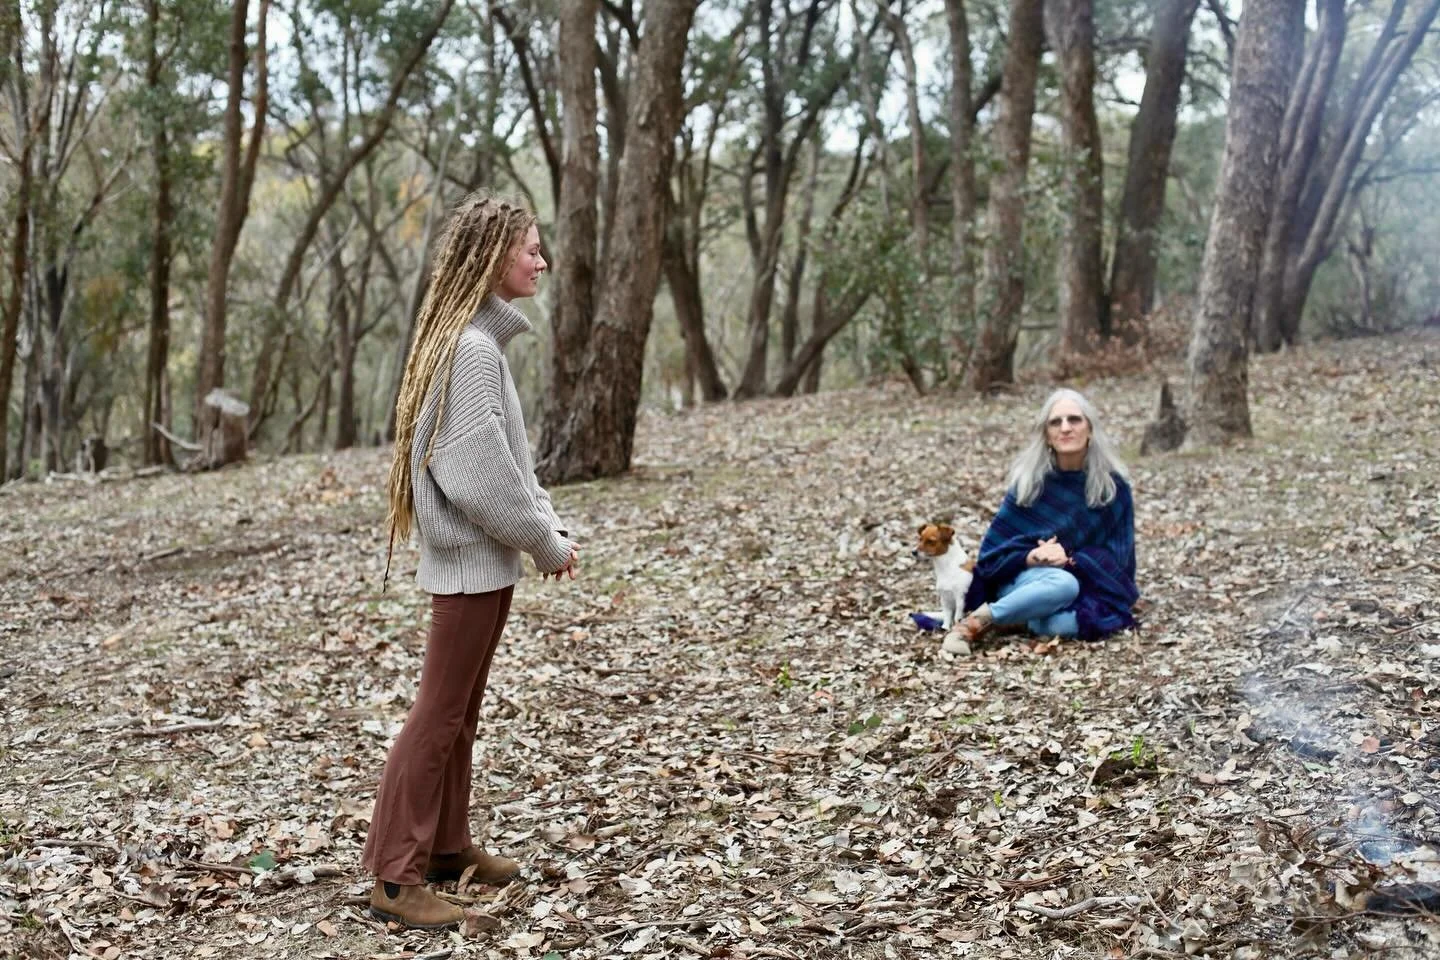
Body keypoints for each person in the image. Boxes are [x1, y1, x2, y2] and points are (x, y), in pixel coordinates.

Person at [363, 193, 579, 930]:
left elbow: (510, 467)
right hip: (468, 564)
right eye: (530, 249)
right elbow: (480, 477)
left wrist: (545, 523)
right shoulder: (474, 351)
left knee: (459, 714)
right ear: (493, 258)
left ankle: (448, 849)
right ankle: (396, 877)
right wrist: (544, 541)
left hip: (482, 564)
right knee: (438, 714)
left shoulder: (473, 345)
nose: (541, 260)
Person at [948, 388, 1137, 653]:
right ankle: (974, 624)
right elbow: (991, 557)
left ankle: (1016, 618)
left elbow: (1119, 560)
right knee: (1062, 584)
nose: (1066, 428)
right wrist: (1033, 556)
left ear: (1090, 430)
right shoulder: (1029, 483)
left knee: (1070, 621)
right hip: (1028, 581)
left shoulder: (1113, 488)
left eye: (1075, 420)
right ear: (1046, 435)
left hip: (1087, 586)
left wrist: (1071, 558)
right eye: (1055, 422)